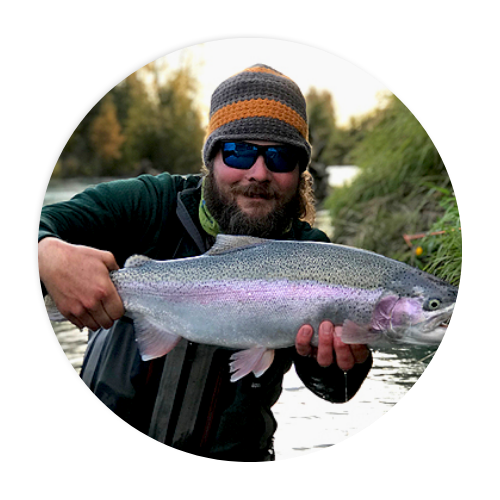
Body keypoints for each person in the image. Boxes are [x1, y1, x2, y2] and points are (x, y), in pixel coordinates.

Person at [38, 64, 372, 461]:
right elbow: (47, 224)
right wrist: (47, 253)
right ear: (211, 157)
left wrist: (340, 366)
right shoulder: (148, 204)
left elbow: (337, 392)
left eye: (281, 157)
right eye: (239, 152)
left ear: (301, 172)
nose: (259, 172)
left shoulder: (313, 254)